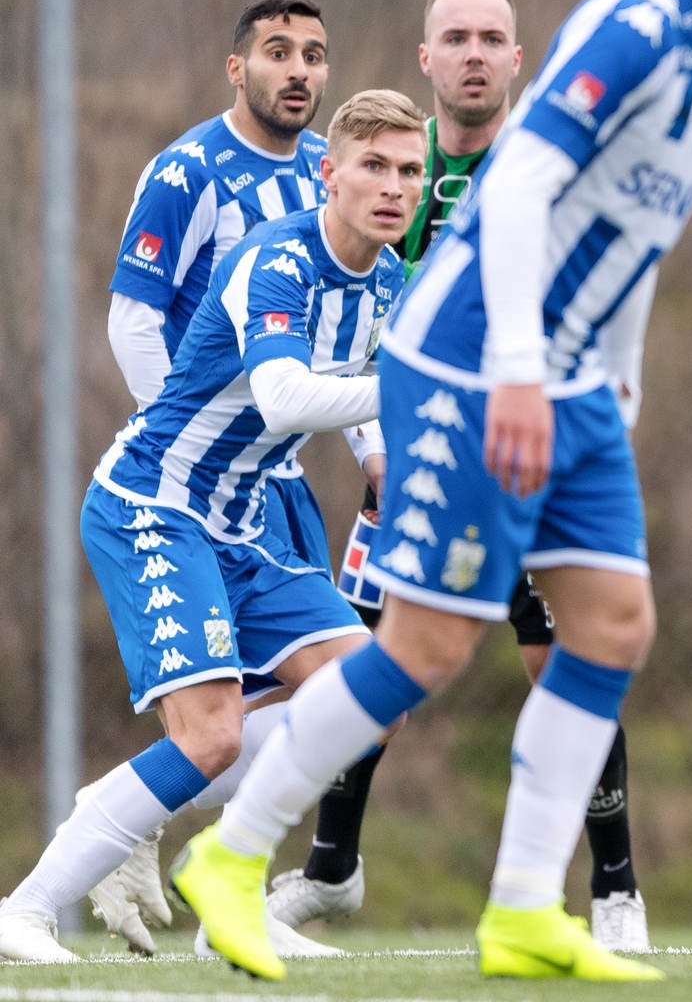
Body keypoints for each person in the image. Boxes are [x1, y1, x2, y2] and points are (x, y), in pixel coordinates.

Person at [171, 0, 692, 983]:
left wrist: (613, 377)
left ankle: (526, 903)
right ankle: (231, 856)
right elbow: (522, 181)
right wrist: (525, 366)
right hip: (474, 355)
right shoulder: (643, 25)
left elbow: (633, 239)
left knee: (613, 624)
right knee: (429, 640)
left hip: (569, 372)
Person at [271, 0, 650, 955]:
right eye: (456, 36)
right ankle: (328, 867)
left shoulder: (553, 163)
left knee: (564, 657)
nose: (475, 51)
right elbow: (358, 321)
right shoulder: (391, 169)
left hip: (534, 451)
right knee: (366, 663)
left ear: (519, 61)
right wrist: (376, 440)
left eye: (493, 37)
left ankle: (614, 885)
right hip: (415, 458)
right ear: (425, 57)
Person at [0, 90, 424, 963]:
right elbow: (285, 395)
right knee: (212, 734)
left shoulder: (387, 281)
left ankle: (207, 863)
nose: (393, 186)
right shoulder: (278, 260)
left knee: (371, 701)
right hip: (153, 505)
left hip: (245, 519)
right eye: (373, 166)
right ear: (329, 173)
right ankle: (27, 909)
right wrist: (423, 388)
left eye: (410, 170)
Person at [86, 0, 385, 955]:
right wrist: (178, 440)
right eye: (278, 53)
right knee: (242, 696)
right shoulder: (187, 171)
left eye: (314, 56)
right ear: (237, 67)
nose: (298, 71)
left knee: (312, 694)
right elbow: (133, 317)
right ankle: (143, 829)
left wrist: (371, 456)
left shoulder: (329, 174)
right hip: (195, 471)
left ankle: (193, 854)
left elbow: (340, 341)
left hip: (279, 468)